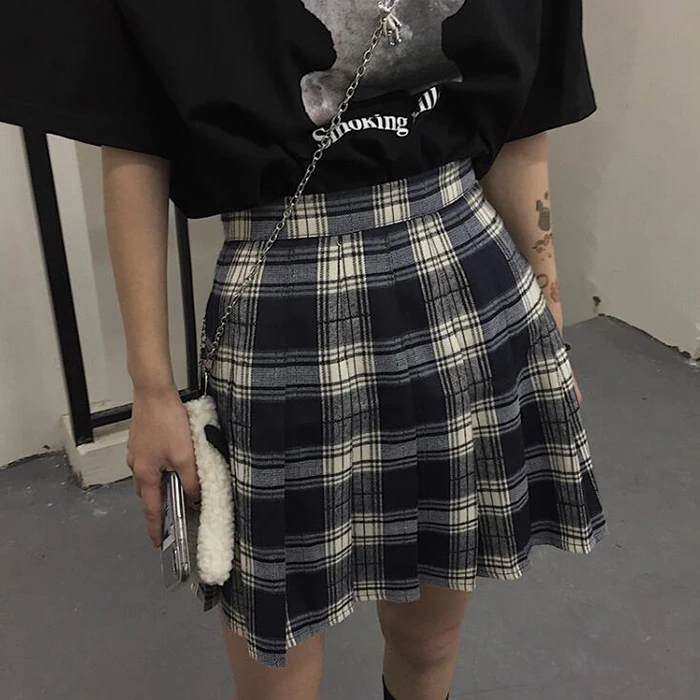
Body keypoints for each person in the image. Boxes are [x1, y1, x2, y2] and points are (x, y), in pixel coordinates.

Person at [0, 1, 607, 698]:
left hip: (464, 271)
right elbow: (131, 137)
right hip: (280, 299)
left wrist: (549, 314)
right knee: (275, 669)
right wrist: (151, 389)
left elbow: (522, 116)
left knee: (429, 640)